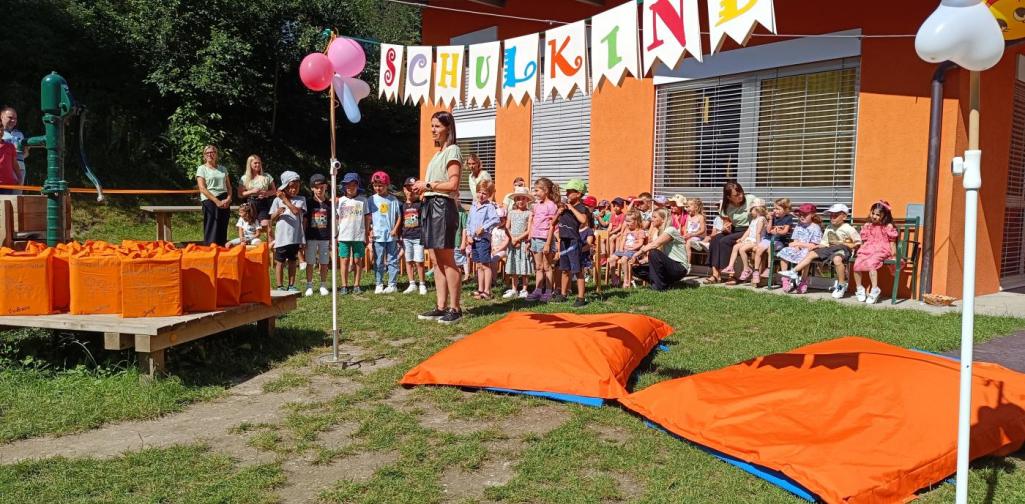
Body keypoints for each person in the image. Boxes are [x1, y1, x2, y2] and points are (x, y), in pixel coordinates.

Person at [412, 111, 464, 324]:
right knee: (436, 259)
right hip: (431, 205)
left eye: (437, 126)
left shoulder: (453, 150)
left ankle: (455, 308)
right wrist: (422, 188)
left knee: (447, 259)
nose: (433, 129)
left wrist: (428, 185)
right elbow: (435, 185)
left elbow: (453, 185)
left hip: (442, 207)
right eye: (431, 126)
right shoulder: (437, 154)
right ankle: (441, 306)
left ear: (448, 128)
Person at [782, 203, 861, 297]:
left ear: (844, 217)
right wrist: (815, 246)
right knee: (811, 253)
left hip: (843, 249)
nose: (832, 218)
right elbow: (824, 243)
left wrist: (842, 243)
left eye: (835, 216)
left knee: (837, 259)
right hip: (829, 249)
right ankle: (794, 271)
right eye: (831, 216)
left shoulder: (848, 228)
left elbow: (857, 243)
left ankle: (841, 284)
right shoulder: (829, 227)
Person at [706, 181, 756, 283]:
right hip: (735, 230)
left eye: (741, 192)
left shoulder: (751, 199)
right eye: (736, 195)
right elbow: (727, 222)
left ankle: (731, 275)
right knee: (715, 239)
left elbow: (761, 213)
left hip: (748, 230)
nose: (741, 196)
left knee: (725, 241)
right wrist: (726, 227)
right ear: (729, 197)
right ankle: (716, 274)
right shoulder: (726, 206)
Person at [631, 208, 692, 291]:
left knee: (653, 252)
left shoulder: (671, 230)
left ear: (663, 219)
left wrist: (635, 254)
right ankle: (664, 284)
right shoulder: (658, 233)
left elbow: (654, 245)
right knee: (636, 269)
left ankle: (658, 287)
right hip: (667, 266)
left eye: (654, 217)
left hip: (679, 267)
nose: (651, 219)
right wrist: (645, 260)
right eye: (651, 217)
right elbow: (660, 253)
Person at [852, 201, 899, 304]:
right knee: (856, 264)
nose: (874, 216)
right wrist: (861, 249)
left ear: (884, 215)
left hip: (882, 249)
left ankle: (874, 289)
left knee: (871, 263)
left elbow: (892, 242)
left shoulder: (888, 226)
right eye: (873, 213)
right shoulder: (868, 225)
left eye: (878, 215)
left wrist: (894, 255)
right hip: (868, 248)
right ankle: (859, 288)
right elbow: (864, 241)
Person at [775, 204, 824, 294]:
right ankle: (786, 278)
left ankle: (803, 280)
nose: (802, 217)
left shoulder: (815, 227)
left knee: (806, 256)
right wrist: (796, 246)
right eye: (800, 214)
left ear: (812, 215)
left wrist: (798, 243)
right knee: (784, 251)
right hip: (798, 248)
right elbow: (795, 239)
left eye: (805, 215)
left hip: (809, 250)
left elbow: (813, 245)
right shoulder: (799, 225)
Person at [270, 171, 306, 291]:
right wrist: (276, 213)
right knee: (280, 261)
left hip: (294, 237)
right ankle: (280, 286)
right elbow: (271, 219)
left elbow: (296, 212)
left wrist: (285, 199)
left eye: (296, 187)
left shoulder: (301, 199)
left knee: (292, 261)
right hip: (281, 238)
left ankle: (291, 285)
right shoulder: (276, 201)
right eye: (291, 187)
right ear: (284, 187)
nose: (294, 190)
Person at [525, 177, 560, 302]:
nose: (535, 193)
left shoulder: (551, 206)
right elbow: (533, 223)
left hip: (545, 239)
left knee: (547, 266)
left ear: (545, 190)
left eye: (537, 190)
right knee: (538, 267)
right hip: (535, 238)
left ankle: (549, 291)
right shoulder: (536, 206)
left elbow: (552, 225)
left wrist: (548, 243)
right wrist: (530, 239)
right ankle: (538, 290)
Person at [555, 179, 589, 306]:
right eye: (567, 192)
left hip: (574, 242)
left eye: (570, 192)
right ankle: (563, 294)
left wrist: (571, 208)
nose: (567, 194)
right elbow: (554, 222)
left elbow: (583, 220)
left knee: (577, 270)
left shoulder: (581, 208)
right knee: (564, 269)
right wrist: (560, 212)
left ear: (579, 194)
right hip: (563, 241)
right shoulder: (565, 208)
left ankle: (581, 298)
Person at [337, 172, 371, 294]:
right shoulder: (340, 201)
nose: (350, 187)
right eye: (348, 185)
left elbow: (367, 217)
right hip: (343, 236)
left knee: (357, 260)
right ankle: (344, 285)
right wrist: (336, 233)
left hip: (358, 235)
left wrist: (367, 233)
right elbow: (337, 218)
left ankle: (357, 284)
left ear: (358, 186)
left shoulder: (363, 200)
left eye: (353, 185)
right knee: (344, 260)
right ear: (344, 186)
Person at [721, 198, 768, 285]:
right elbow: (748, 231)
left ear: (757, 209)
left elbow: (758, 233)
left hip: (756, 241)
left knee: (742, 249)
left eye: (751, 210)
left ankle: (746, 269)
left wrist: (758, 245)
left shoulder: (761, 219)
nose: (750, 212)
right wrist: (742, 239)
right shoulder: (754, 220)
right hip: (750, 239)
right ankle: (730, 266)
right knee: (736, 246)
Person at [369, 171, 401, 294]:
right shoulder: (371, 199)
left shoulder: (393, 200)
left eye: (381, 185)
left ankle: (392, 284)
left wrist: (395, 229)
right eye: (375, 185)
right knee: (378, 260)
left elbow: (399, 216)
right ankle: (379, 283)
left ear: (387, 185)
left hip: (391, 235)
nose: (378, 188)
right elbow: (368, 217)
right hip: (378, 236)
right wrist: (370, 230)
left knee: (392, 259)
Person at [467, 180, 500, 299]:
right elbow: (469, 222)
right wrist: (469, 235)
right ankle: (480, 289)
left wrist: (484, 228)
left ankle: (487, 291)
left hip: (483, 240)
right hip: (474, 240)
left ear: (489, 194)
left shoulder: (489, 206)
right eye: (479, 192)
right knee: (479, 265)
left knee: (486, 265)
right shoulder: (473, 206)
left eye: (484, 193)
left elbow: (496, 220)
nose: (481, 195)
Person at [196, 145, 233, 246]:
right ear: (204, 155)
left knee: (223, 225)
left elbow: (229, 187)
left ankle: (221, 250)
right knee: (212, 226)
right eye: (207, 153)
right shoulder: (201, 169)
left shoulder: (223, 169)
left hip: (224, 199)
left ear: (216, 154)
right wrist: (217, 201)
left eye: (212, 152)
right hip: (210, 199)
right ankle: (210, 249)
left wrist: (228, 199)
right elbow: (202, 188)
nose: (210, 154)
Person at [303, 174, 333, 297]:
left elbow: (331, 222)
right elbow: (304, 221)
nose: (319, 189)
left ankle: (323, 284)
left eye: (322, 187)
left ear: (326, 187)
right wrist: (303, 237)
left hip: (325, 238)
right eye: (316, 187)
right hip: (311, 237)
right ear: (312, 188)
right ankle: (309, 285)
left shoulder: (329, 204)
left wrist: (332, 238)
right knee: (310, 262)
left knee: (324, 262)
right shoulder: (308, 203)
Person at [503, 187, 534, 298]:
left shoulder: (529, 213)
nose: (520, 201)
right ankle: (514, 288)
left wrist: (518, 239)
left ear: (527, 200)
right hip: (513, 242)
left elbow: (529, 229)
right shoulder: (511, 213)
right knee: (514, 265)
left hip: (523, 243)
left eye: (523, 199)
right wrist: (512, 238)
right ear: (515, 200)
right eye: (518, 199)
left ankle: (524, 289)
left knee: (524, 265)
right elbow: (507, 227)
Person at [401, 177, 428, 295]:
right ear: (404, 190)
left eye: (412, 188)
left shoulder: (421, 204)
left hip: (418, 237)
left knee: (419, 261)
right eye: (408, 188)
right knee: (408, 260)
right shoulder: (402, 206)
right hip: (406, 237)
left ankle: (422, 284)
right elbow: (400, 220)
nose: (410, 191)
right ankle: (412, 283)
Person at [238, 154, 277, 235]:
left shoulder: (267, 176)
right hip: (251, 204)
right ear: (250, 164)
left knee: (265, 225)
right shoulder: (244, 178)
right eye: (255, 163)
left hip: (263, 203)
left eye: (259, 163)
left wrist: (266, 193)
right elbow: (240, 194)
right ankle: (252, 242)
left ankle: (271, 245)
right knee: (249, 226)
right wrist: (252, 191)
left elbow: (274, 191)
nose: (258, 165)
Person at [755, 198, 794, 278]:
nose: (775, 210)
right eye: (774, 208)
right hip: (768, 239)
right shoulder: (773, 217)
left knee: (770, 248)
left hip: (779, 241)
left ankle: (769, 269)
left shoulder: (788, 218)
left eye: (778, 209)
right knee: (758, 249)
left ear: (786, 210)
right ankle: (756, 271)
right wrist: (770, 219)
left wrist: (777, 232)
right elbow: (768, 231)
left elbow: (785, 231)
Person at [609, 210, 646, 287]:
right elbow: (623, 240)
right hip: (625, 250)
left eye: (629, 221)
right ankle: (614, 278)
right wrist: (621, 248)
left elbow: (641, 243)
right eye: (626, 221)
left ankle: (626, 280)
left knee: (624, 259)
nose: (627, 223)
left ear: (636, 221)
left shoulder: (640, 231)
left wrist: (633, 247)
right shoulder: (627, 230)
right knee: (611, 258)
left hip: (634, 251)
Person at [1, 107, 25, 190]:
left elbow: (26, 153)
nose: (13, 120)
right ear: (1, 117)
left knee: (17, 195)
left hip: (20, 166)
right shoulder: (1, 134)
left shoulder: (20, 134)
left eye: (15, 118)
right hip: (6, 168)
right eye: (10, 118)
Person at [682, 198, 706, 264]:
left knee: (688, 243)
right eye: (687, 207)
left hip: (697, 236)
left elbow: (702, 230)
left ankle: (687, 264)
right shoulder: (688, 216)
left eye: (689, 206)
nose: (687, 208)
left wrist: (692, 234)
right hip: (688, 236)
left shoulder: (700, 217)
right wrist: (685, 235)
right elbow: (685, 228)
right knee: (681, 242)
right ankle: (681, 261)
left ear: (696, 207)